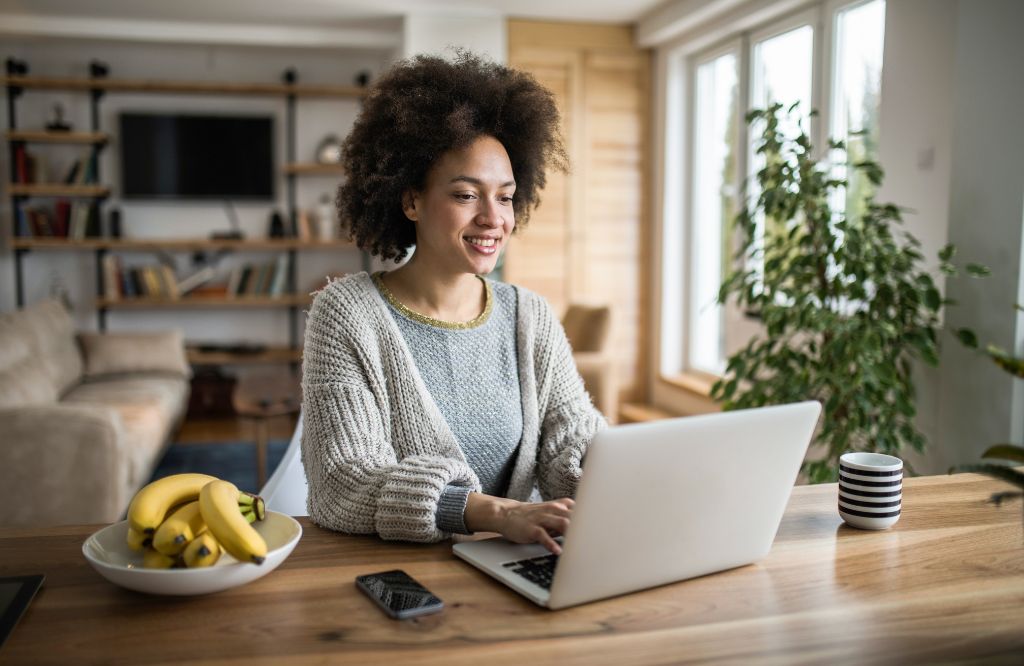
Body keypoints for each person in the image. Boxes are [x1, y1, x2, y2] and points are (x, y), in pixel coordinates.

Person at [301, 51, 606, 555]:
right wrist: (494, 513)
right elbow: (344, 482)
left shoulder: (530, 316)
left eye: (505, 197)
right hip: (404, 578)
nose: (493, 218)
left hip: (518, 565)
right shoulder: (347, 314)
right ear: (411, 201)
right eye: (467, 195)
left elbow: (570, 440)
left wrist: (609, 474)